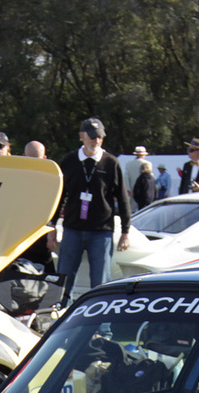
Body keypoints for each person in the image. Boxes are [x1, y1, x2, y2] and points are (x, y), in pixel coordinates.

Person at [49, 117, 132, 302]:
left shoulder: (111, 163)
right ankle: (56, 317)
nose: (96, 141)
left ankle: (102, 328)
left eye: (100, 137)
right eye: (93, 137)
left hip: (101, 232)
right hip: (72, 229)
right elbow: (59, 196)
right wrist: (52, 227)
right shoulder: (69, 161)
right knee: (63, 279)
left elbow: (122, 198)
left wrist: (126, 231)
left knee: (100, 282)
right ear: (82, 137)